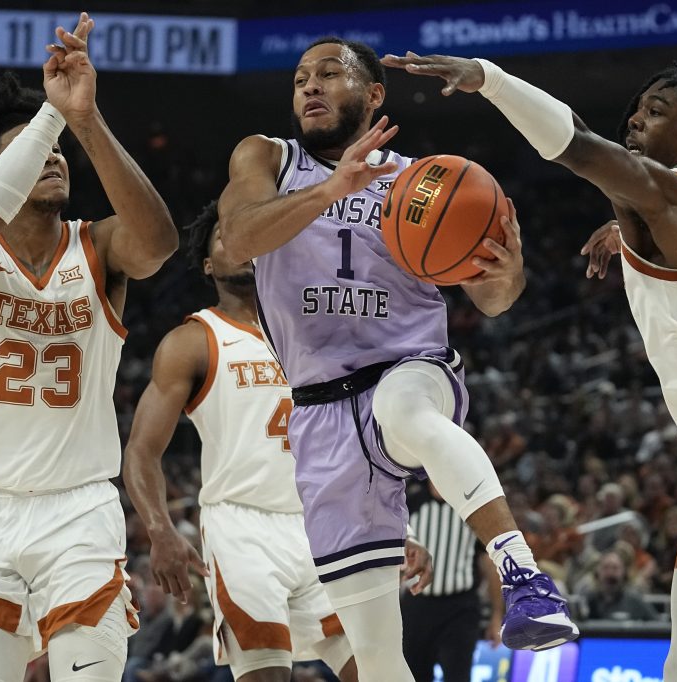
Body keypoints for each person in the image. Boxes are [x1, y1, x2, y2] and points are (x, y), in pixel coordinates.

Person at [385, 51, 677, 681]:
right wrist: (646, 235)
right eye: (638, 107)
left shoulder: (671, 193)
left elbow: (577, 142)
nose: (637, 118)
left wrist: (490, 80)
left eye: (657, 111)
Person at [217, 37, 578, 679]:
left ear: (374, 93)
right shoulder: (266, 157)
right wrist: (334, 189)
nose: (310, 87)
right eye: (301, 78)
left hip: (408, 368)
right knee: (379, 663)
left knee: (402, 409)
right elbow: (240, 236)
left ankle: (522, 570)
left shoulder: (424, 180)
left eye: (330, 74)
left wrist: (508, 271)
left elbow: (493, 299)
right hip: (320, 413)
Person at [0, 13, 178, 681]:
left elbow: (159, 244)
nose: (53, 156)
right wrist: (44, 121)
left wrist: (83, 120)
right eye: (35, 152)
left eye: (58, 150)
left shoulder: (96, 247)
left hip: (79, 512)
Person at [124, 200, 432, 681]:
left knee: (379, 668)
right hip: (242, 528)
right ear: (208, 264)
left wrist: (400, 530)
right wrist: (161, 529)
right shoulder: (194, 340)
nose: (238, 245)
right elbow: (142, 452)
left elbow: (356, 440)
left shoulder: (319, 332)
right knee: (267, 673)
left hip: (323, 523)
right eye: (222, 237)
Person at [401, 481, 504, 682]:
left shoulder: (471, 509)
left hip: (460, 608)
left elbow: (490, 564)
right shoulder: (412, 502)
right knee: (413, 675)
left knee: (458, 676)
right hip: (417, 606)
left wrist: (497, 616)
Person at [582, 550, 657, 622]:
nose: (610, 573)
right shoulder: (588, 600)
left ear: (624, 574)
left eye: (615, 568)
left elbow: (658, 627)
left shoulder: (635, 601)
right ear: (597, 573)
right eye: (606, 568)